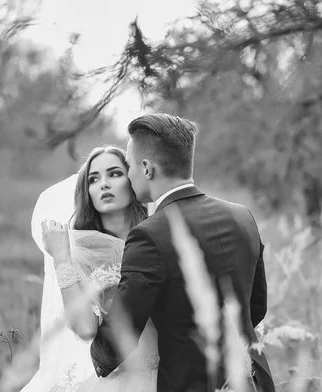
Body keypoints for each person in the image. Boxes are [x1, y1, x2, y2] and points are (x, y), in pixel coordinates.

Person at [91, 114, 276, 392]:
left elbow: (124, 328)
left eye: (128, 166)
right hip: (253, 379)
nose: (128, 175)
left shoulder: (148, 235)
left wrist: (95, 357)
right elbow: (256, 307)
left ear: (146, 169)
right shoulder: (242, 216)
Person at [22, 145, 153, 392]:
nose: (104, 184)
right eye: (94, 179)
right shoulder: (83, 255)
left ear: (133, 180)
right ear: (87, 192)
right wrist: (62, 259)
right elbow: (85, 328)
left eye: (115, 174)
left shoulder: (156, 236)